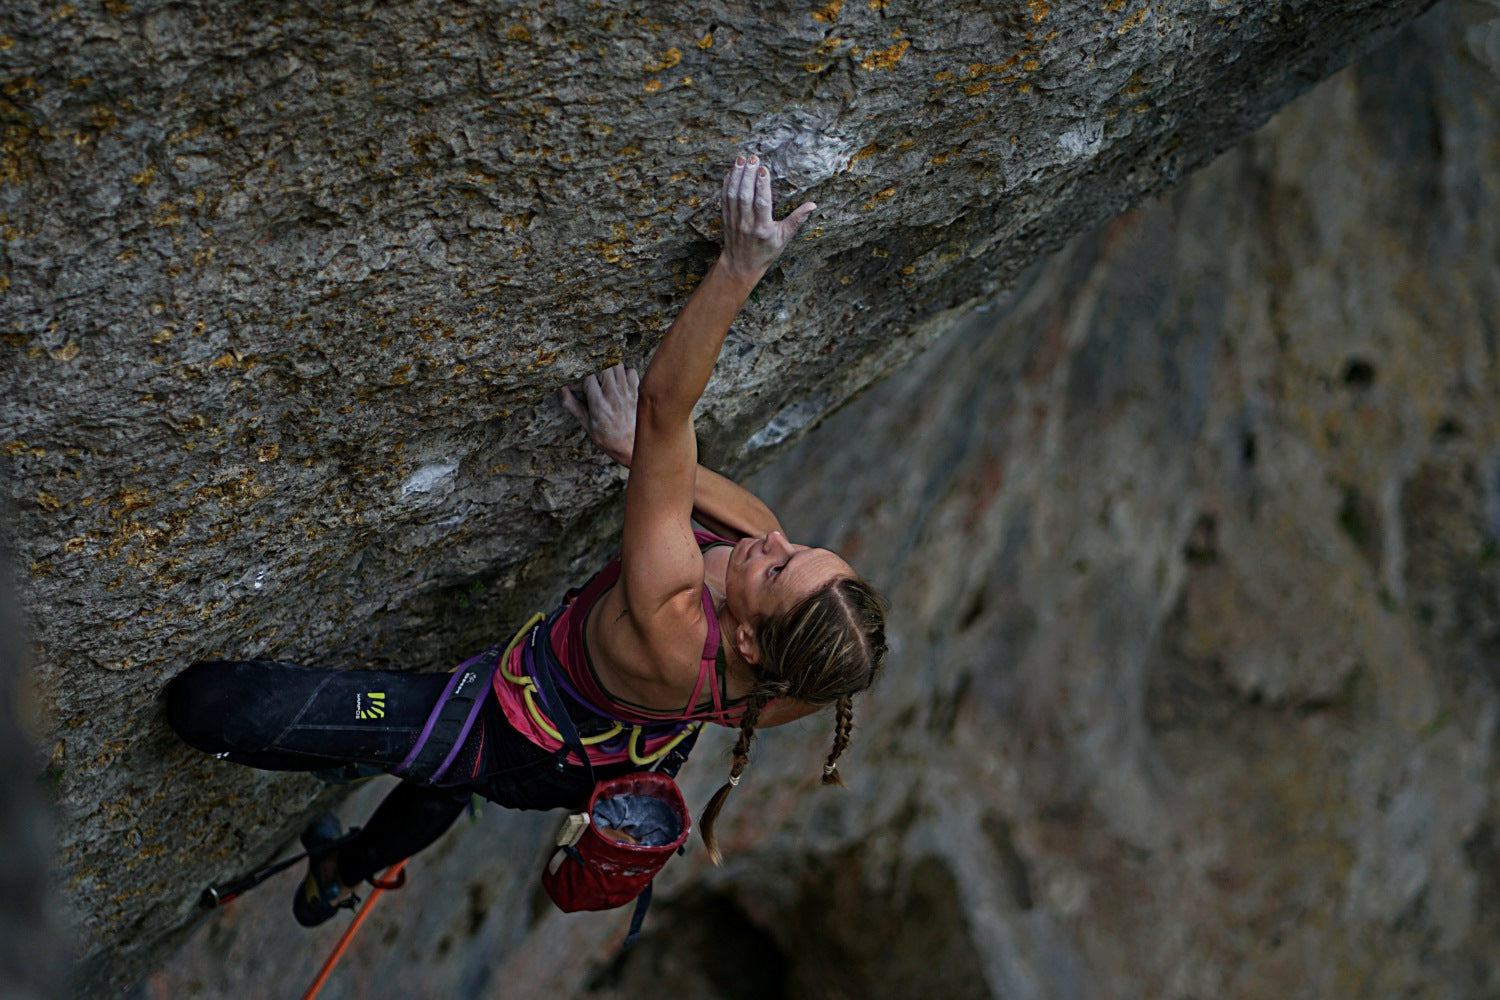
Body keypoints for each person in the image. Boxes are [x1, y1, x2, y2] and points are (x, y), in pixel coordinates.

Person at [164, 155, 888, 927]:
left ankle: (343, 855)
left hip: (522, 738)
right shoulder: (804, 671)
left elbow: (666, 408)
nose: (774, 537)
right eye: (797, 548)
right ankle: (354, 851)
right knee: (446, 777)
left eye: (777, 568)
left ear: (745, 639)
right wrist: (633, 456)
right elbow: (681, 471)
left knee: (207, 704)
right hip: (607, 747)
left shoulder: (672, 613)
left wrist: (740, 265)